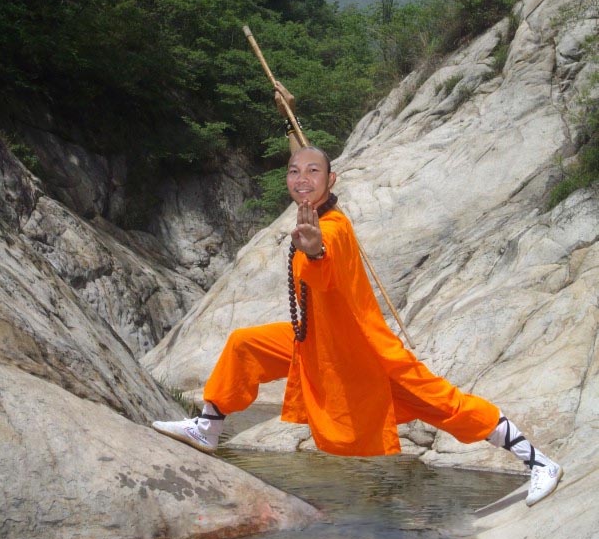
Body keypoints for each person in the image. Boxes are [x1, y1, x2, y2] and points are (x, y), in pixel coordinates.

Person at [153, 83, 563, 507]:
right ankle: (208, 427)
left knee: (446, 405)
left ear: (332, 180)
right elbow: (307, 161)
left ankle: (540, 463)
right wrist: (288, 116)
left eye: (313, 173)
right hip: (316, 340)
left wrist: (313, 249)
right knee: (245, 344)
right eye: (294, 172)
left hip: (365, 352)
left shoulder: (332, 228)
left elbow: (323, 263)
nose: (302, 178)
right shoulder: (316, 204)